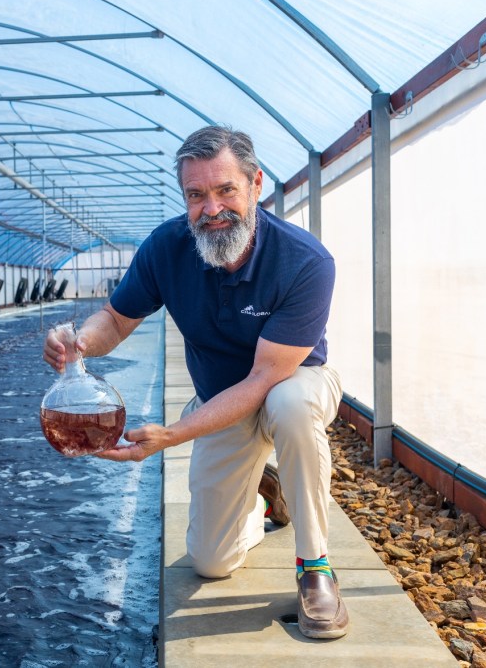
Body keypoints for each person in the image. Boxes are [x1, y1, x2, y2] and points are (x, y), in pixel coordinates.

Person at [42, 125, 347, 639]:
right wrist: (80, 343)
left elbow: (263, 380)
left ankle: (315, 567)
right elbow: (116, 320)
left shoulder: (305, 262)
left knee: (290, 405)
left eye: (225, 189)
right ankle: (262, 492)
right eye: (196, 194)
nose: (212, 208)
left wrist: (170, 438)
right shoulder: (168, 248)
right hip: (218, 401)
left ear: (255, 185)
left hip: (294, 380)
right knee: (211, 562)